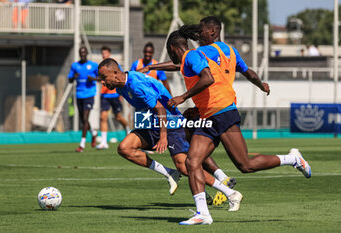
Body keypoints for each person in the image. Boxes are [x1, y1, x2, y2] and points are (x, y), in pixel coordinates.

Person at [165, 29, 311, 225]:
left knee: (245, 165)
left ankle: (293, 159)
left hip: (222, 113)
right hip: (209, 116)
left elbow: (208, 78)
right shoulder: (193, 58)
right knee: (192, 163)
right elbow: (190, 71)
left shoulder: (192, 55)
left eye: (169, 51)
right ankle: (203, 214)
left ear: (173, 48)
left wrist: (183, 97)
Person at [97, 58, 243, 206]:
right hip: (153, 124)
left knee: (185, 167)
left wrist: (163, 136)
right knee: (124, 148)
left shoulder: (135, 85)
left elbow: (160, 108)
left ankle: (230, 193)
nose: (102, 82)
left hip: (171, 124)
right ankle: (169, 173)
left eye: (103, 77)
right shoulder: (120, 86)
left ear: (115, 73)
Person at [96, 46, 130, 149]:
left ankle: (128, 130)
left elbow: (120, 78)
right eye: (102, 53)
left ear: (109, 53)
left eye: (105, 53)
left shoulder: (114, 65)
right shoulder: (101, 67)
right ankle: (103, 142)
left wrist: (121, 94)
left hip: (114, 94)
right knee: (103, 117)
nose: (103, 55)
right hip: (104, 95)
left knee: (118, 117)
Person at [68, 46, 98, 152]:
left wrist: (93, 78)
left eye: (84, 53)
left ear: (87, 53)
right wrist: (74, 77)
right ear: (79, 54)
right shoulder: (75, 66)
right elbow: (70, 80)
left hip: (89, 95)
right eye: (81, 53)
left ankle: (82, 145)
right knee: (83, 120)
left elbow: (101, 78)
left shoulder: (93, 66)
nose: (83, 54)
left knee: (85, 119)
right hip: (79, 95)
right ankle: (94, 133)